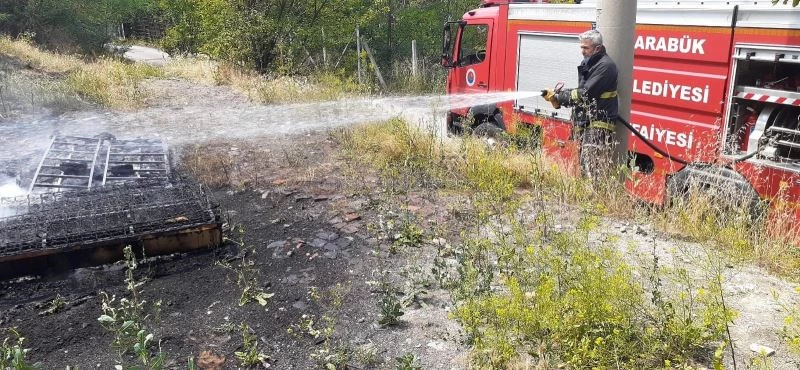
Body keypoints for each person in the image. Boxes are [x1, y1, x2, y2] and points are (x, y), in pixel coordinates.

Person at [541, 29, 619, 179]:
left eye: (586, 48)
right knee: (585, 166)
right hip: (588, 120)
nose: (582, 51)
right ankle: (587, 197)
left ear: (597, 48)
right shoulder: (591, 62)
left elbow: (585, 93)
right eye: (581, 47)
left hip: (599, 122)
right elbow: (582, 90)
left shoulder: (605, 66)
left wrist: (559, 96)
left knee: (591, 166)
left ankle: (595, 198)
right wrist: (558, 97)